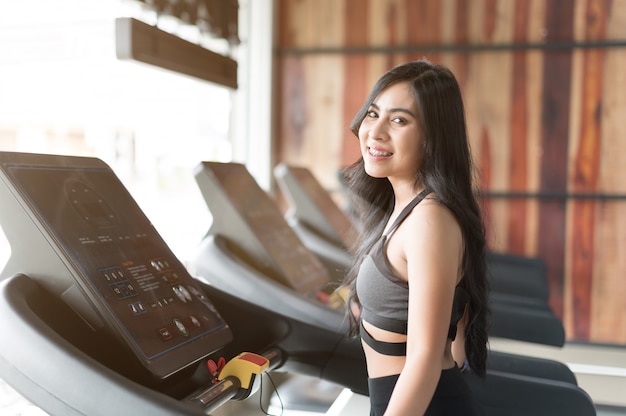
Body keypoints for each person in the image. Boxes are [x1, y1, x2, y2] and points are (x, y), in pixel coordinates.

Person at [341, 59, 489, 415]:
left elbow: (423, 358)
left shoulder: (429, 219)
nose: (375, 132)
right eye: (373, 114)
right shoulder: (407, 207)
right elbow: (456, 327)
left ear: (433, 136)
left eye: (399, 120)